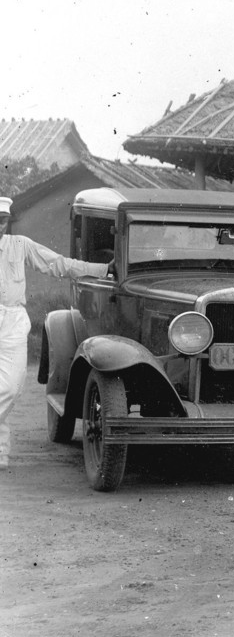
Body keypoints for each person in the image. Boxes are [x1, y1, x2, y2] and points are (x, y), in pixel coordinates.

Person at [0, 197, 110, 470]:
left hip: (12, 321)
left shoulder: (19, 245)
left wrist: (102, 270)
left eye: (2, 219)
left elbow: (57, 264)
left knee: (10, 387)